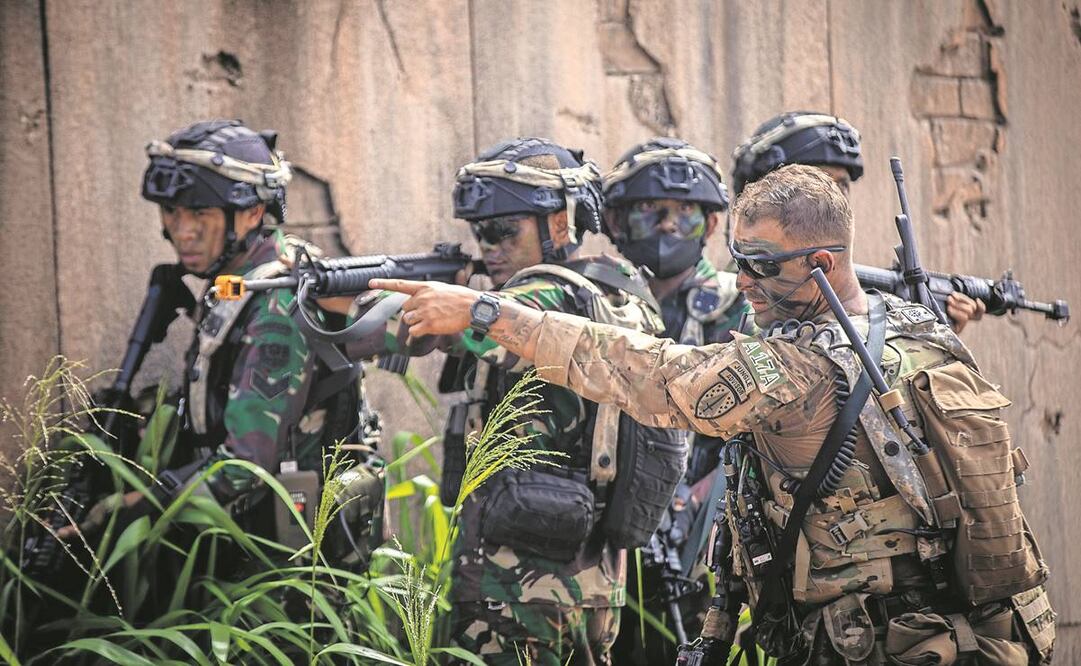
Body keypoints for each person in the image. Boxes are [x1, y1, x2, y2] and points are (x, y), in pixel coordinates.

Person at [371, 164, 1055, 665]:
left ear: (821, 260)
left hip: (884, 642)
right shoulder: (914, 327)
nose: (744, 283)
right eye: (737, 261)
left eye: (759, 266)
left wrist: (489, 313)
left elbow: (653, 374)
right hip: (978, 632)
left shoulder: (798, 369)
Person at [363, 137, 670, 665]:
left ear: (558, 224)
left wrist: (344, 304)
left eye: (506, 230)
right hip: (592, 574)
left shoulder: (543, 295)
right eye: (481, 232)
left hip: (521, 581)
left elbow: (484, 322)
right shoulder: (619, 292)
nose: (490, 247)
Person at [58, 120, 371, 563]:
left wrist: (132, 511)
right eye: (172, 212)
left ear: (252, 213)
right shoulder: (236, 282)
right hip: (241, 537)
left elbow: (244, 467)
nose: (181, 231)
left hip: (286, 566)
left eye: (199, 214)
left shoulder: (278, 301)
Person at [601, 138, 741, 662]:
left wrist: (710, 493)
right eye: (649, 210)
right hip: (610, 535)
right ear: (615, 222)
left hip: (705, 538)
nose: (666, 225)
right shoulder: (600, 301)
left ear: (709, 225)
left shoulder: (739, 306)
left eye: (684, 212)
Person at [731, 111, 986, 332]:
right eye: (818, 181)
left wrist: (927, 335)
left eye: (841, 184)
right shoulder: (740, 297)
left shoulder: (848, 289)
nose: (835, 196)